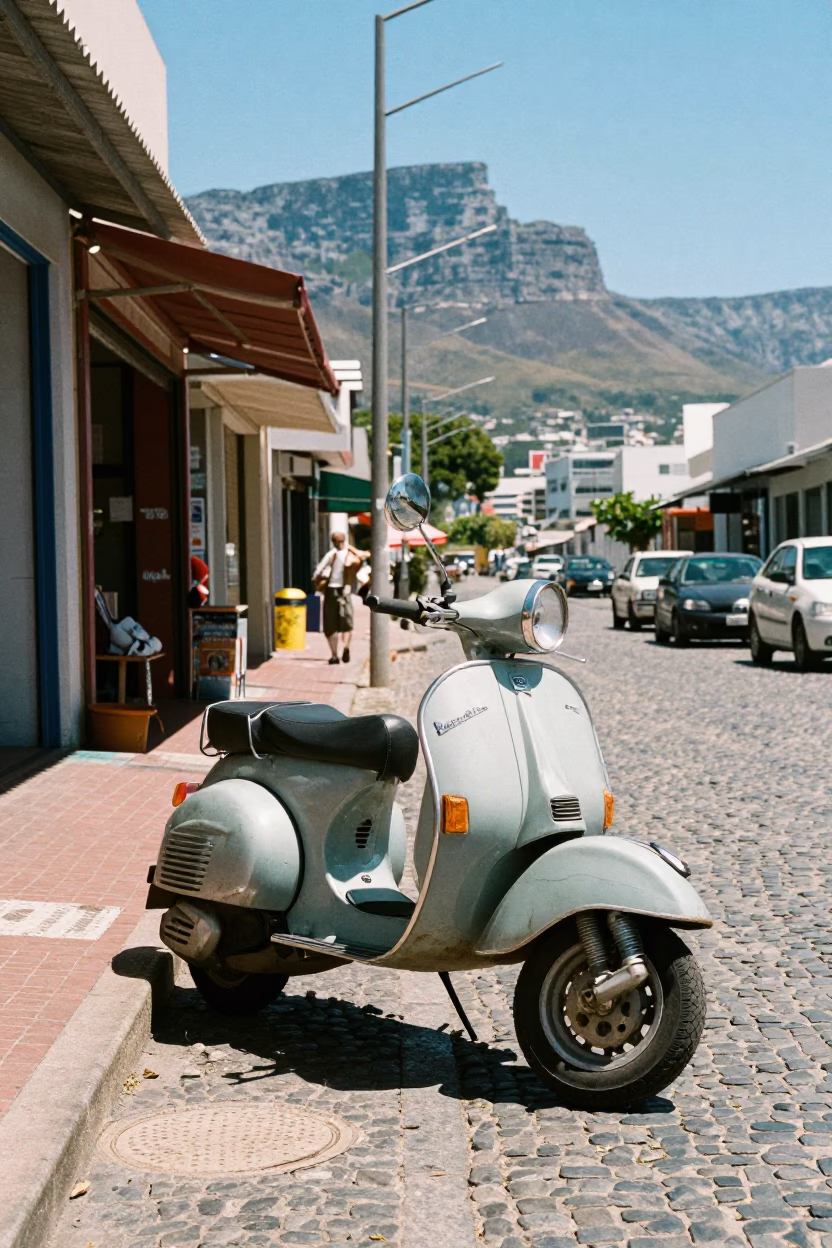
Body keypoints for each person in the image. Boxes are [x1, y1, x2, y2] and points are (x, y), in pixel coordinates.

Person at [313, 531, 369, 664]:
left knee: (330, 623)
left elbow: (317, 572)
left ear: (333, 542)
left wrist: (321, 578)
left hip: (331, 590)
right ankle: (346, 647)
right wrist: (351, 548)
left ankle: (334, 655)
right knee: (347, 621)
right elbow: (365, 555)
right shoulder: (351, 554)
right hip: (346, 590)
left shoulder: (331, 554)